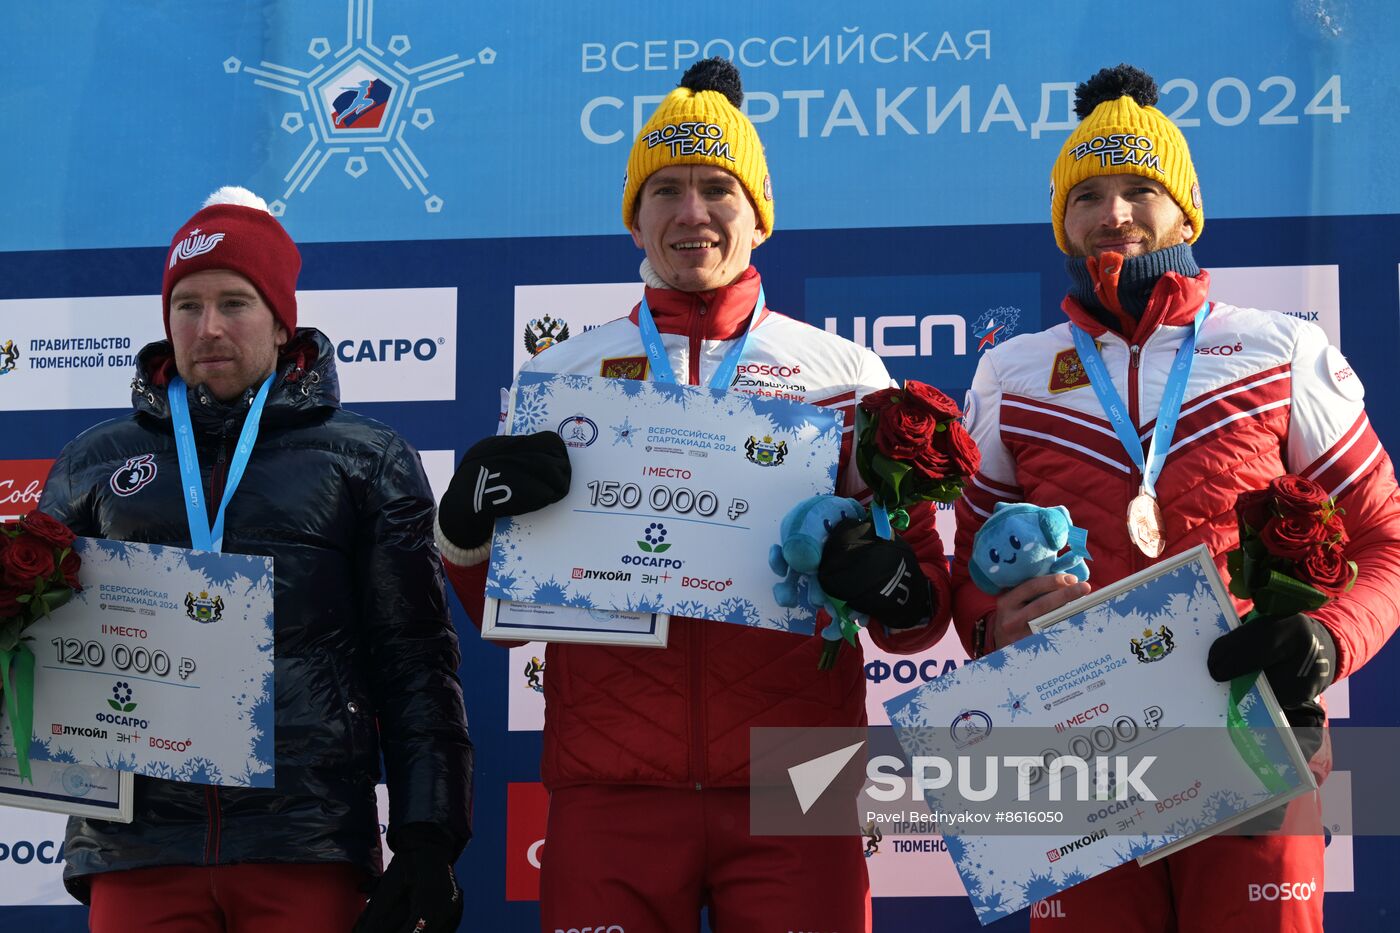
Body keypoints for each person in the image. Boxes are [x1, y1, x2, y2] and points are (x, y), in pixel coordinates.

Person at [436, 59, 952, 932]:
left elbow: (920, 617)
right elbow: (512, 614)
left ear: (759, 213)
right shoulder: (563, 375)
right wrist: (463, 531)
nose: (691, 213)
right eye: (664, 190)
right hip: (612, 779)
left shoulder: (846, 375)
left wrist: (889, 578)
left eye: (718, 187)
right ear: (633, 217)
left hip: (802, 772)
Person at [951, 64, 1400, 931]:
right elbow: (965, 578)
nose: (1112, 213)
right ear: (1061, 223)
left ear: (1186, 209)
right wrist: (990, 628)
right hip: (1075, 754)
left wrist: (1327, 638)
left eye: (1139, 189)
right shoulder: (1009, 373)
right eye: (1088, 195)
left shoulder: (1277, 350)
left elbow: (1385, 539)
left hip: (1250, 741)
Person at [38, 187, 474, 933]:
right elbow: (36, 650)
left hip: (301, 840)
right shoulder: (93, 462)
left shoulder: (364, 460)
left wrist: (428, 837)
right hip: (137, 847)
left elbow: (413, 661)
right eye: (187, 305)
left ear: (281, 320)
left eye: (234, 302)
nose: (208, 327)